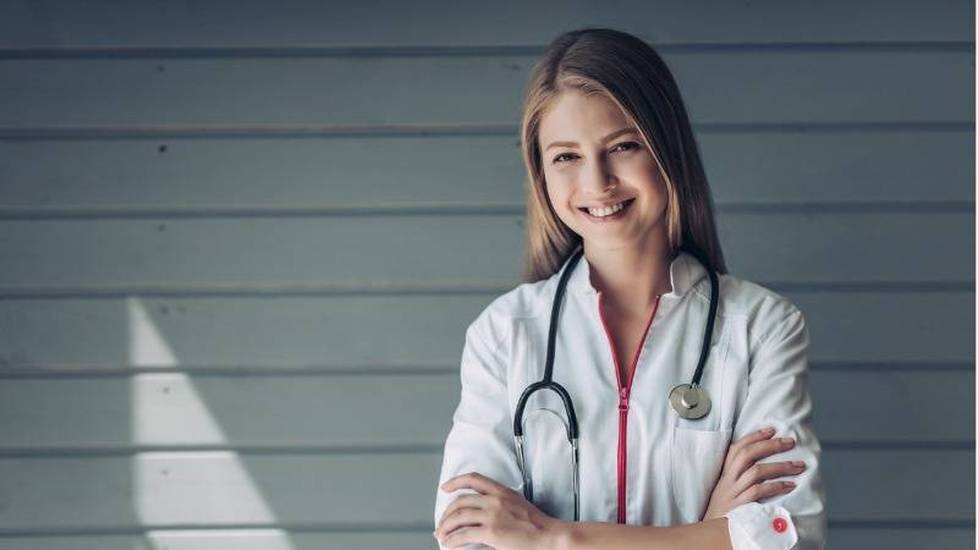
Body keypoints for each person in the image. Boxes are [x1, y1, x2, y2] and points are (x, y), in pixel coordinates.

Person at [433, 27, 826, 550]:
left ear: (667, 148)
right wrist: (708, 533)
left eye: (622, 146)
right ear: (541, 172)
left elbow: (787, 533)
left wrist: (555, 539)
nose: (597, 183)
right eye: (566, 156)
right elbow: (467, 538)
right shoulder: (503, 335)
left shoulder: (762, 326)